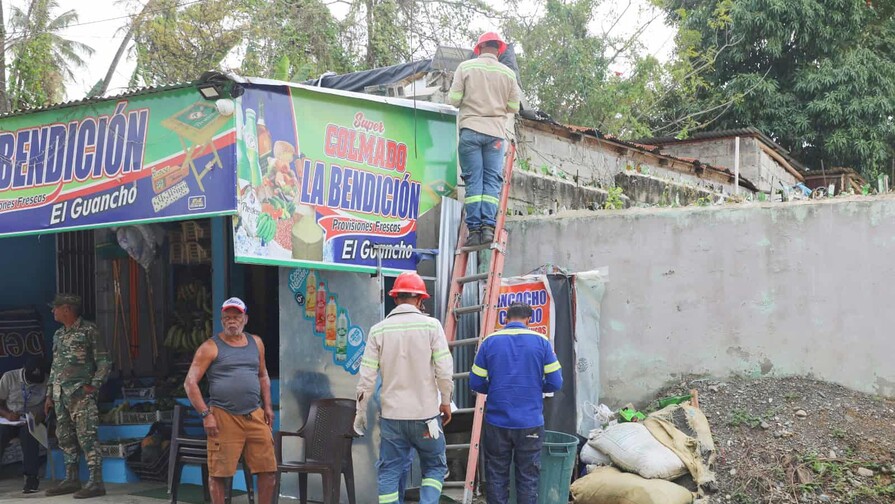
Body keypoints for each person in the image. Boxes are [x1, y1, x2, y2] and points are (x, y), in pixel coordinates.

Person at [355, 271, 454, 504]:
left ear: (395, 298)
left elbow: (366, 378)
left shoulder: (378, 330)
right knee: (434, 466)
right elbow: (444, 371)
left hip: (393, 418)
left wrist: (360, 413)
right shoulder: (432, 326)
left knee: (389, 471)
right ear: (420, 300)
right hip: (426, 417)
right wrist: (445, 402)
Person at [185, 297, 277, 504]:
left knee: (268, 470)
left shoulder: (256, 343)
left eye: (236, 316)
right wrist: (206, 415)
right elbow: (190, 383)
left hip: (254, 414)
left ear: (245, 319)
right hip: (223, 415)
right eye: (227, 317)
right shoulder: (210, 347)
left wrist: (268, 407)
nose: (232, 321)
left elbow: (263, 375)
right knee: (219, 474)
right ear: (221, 320)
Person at [469, 302, 563, 504]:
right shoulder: (542, 342)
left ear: (505, 318)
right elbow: (556, 382)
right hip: (530, 422)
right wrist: (536, 388)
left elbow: (475, 382)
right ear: (529, 320)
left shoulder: (489, 342)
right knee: (528, 476)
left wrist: (494, 389)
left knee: (496, 474)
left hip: (497, 422)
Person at [449, 31, 522, 247]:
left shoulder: (465, 68)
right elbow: (514, 107)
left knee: (474, 181)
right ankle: (488, 229)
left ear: (479, 48)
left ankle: (474, 232)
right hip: (495, 136)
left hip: (470, 131)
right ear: (499, 51)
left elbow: (454, 100)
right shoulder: (508, 74)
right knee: (491, 181)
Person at [44, 293, 112, 499]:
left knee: (87, 437)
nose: (53, 311)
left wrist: (94, 385)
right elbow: (55, 366)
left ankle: (96, 482)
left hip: (80, 395)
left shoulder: (88, 330)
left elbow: (104, 361)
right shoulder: (58, 334)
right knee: (64, 437)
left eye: (55, 307)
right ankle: (71, 478)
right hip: (60, 396)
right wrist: (49, 394)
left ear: (67, 309)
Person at [0, 357, 49, 493]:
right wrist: (7, 414)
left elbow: (50, 405)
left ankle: (31, 478)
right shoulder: (9, 377)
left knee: (29, 435)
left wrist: (41, 415)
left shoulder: (47, 380)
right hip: (11, 418)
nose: (33, 382)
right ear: (24, 369)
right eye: (30, 379)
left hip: (33, 419)